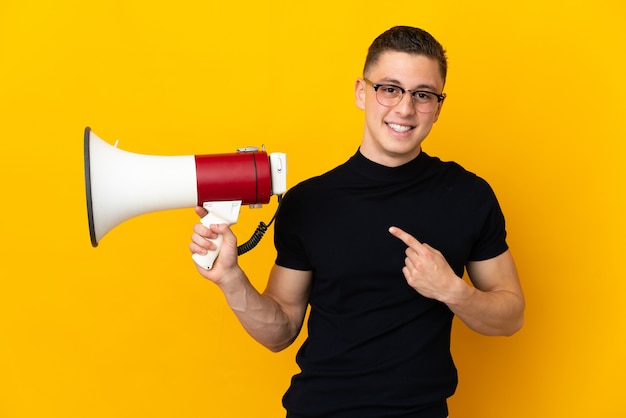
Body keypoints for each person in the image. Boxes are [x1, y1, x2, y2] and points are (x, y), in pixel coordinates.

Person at [190, 25, 525, 418]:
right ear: (362, 93)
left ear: (438, 106)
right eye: (390, 88)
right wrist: (230, 277)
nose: (404, 108)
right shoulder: (309, 202)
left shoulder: (469, 195)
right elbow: (279, 332)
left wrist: (453, 291)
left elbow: (511, 315)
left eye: (423, 94)